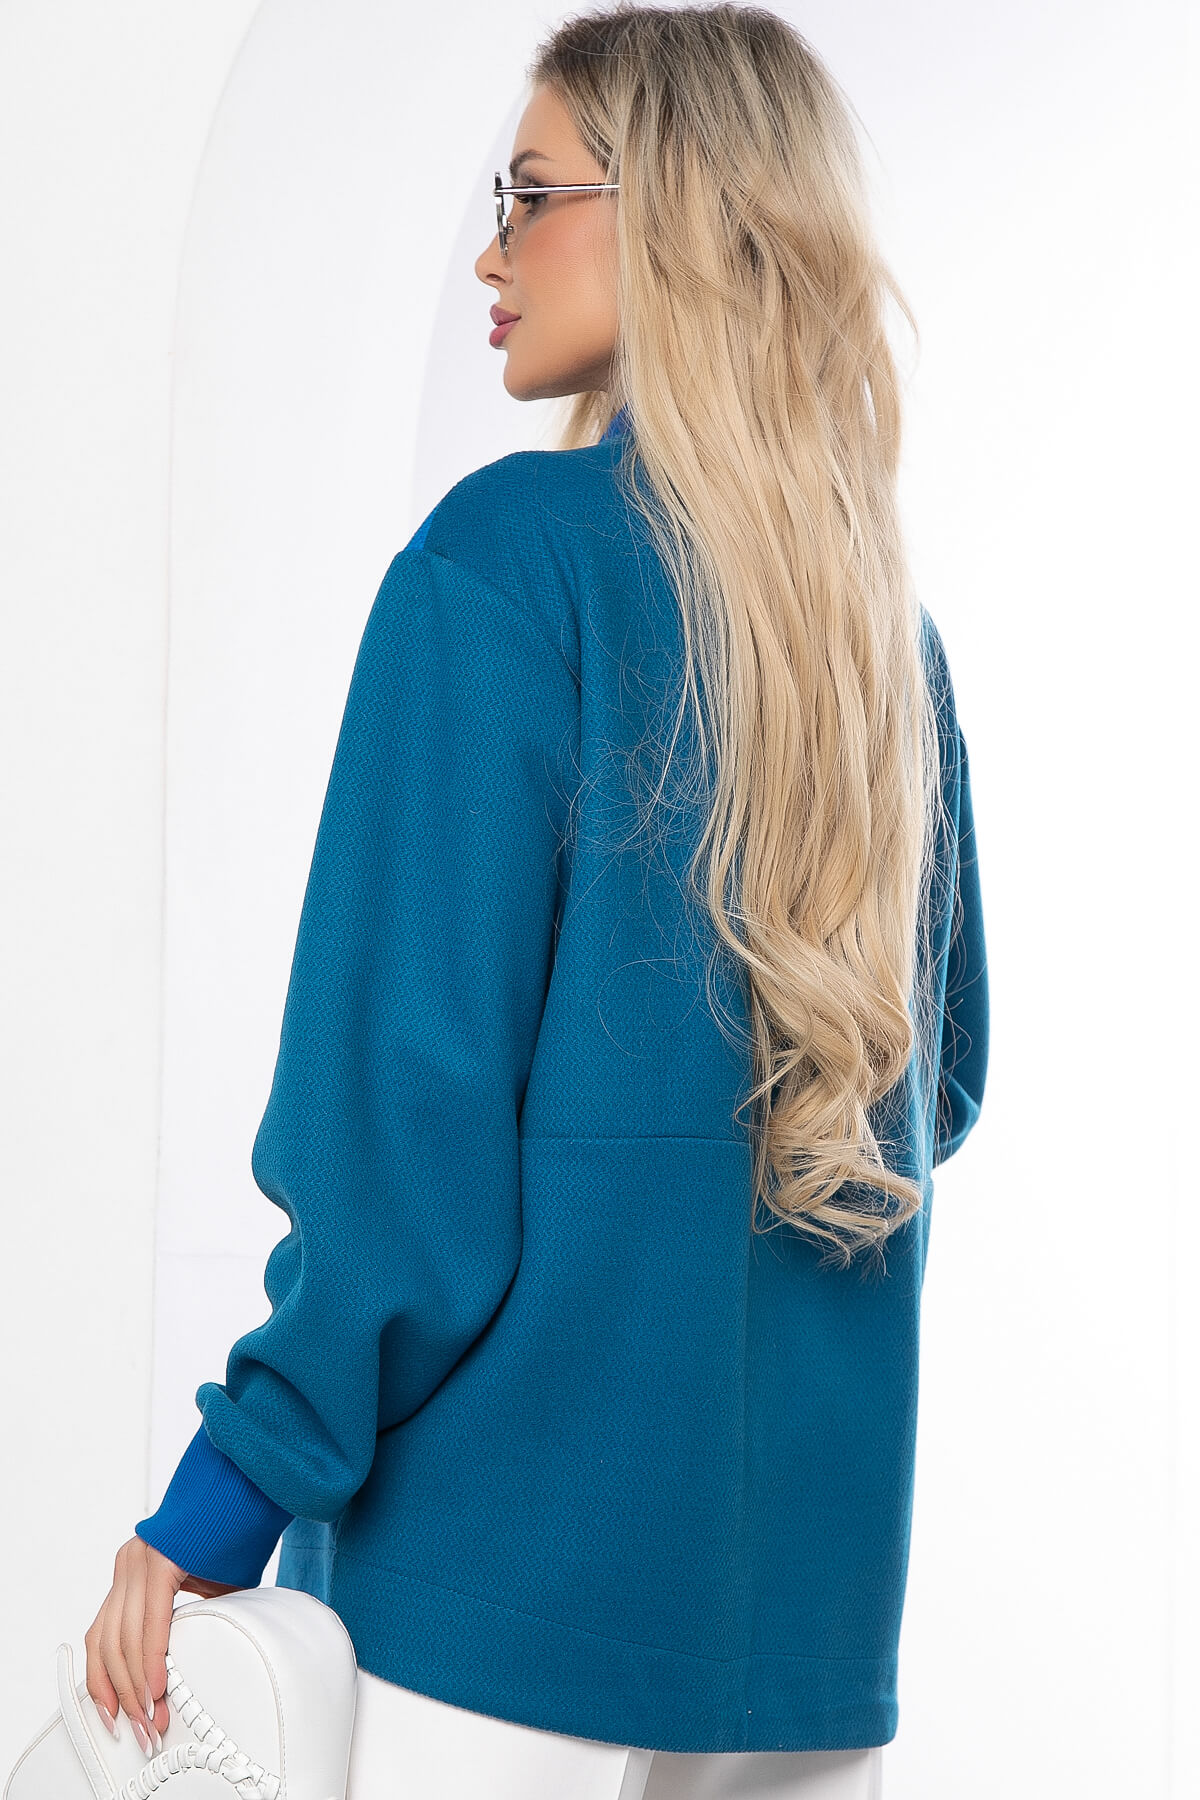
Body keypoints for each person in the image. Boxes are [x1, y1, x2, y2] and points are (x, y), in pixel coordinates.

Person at [83, 7, 989, 1796]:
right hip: (800, 1626)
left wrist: (225, 1498)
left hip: (498, 1602)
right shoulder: (883, 645)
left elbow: (399, 1142)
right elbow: (931, 1091)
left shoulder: (504, 567)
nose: (489, 256)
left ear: (678, 217)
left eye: (531, 194)